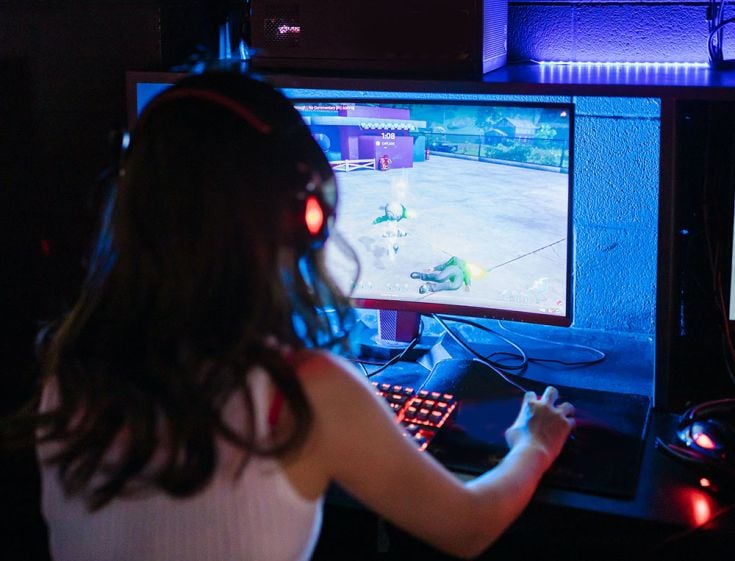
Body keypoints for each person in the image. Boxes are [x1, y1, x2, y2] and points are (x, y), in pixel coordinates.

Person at [27, 70, 574, 561]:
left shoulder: (70, 367)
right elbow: (470, 527)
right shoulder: (304, 391)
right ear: (303, 215)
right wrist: (535, 444)